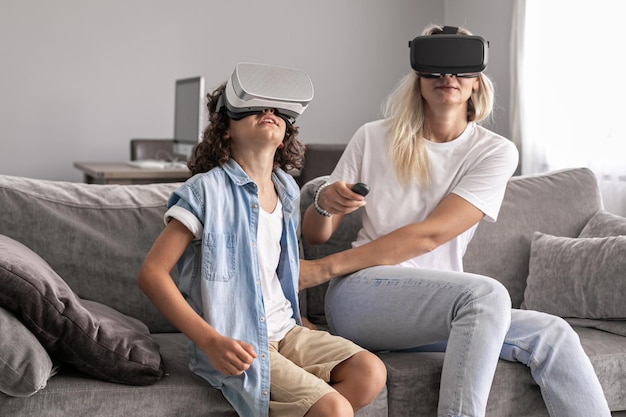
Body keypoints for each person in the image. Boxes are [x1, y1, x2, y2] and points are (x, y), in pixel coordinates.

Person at [300, 25, 611, 417]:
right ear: (418, 77)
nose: (447, 77)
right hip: (361, 295)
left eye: (460, 67)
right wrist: (324, 203)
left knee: (552, 334)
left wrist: (320, 269)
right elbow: (315, 233)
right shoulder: (373, 137)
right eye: (435, 67)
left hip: (442, 308)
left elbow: (430, 236)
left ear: (477, 80)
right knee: (485, 296)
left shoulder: (494, 152)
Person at [138, 64, 386, 417]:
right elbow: (152, 273)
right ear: (225, 129)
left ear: (285, 134)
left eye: (276, 109)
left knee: (369, 372)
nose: (268, 112)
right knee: (334, 409)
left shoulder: (286, 189)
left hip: (287, 331)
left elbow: (277, 269)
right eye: (254, 107)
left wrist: (298, 318)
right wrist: (209, 341)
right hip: (238, 342)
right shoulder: (205, 191)